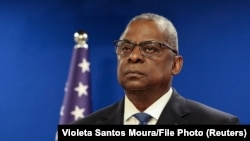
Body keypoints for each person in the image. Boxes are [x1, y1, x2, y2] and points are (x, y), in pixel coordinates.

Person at [71, 12, 240, 125]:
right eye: (125, 48)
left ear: (175, 64)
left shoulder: (219, 125)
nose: (133, 56)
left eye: (150, 48)